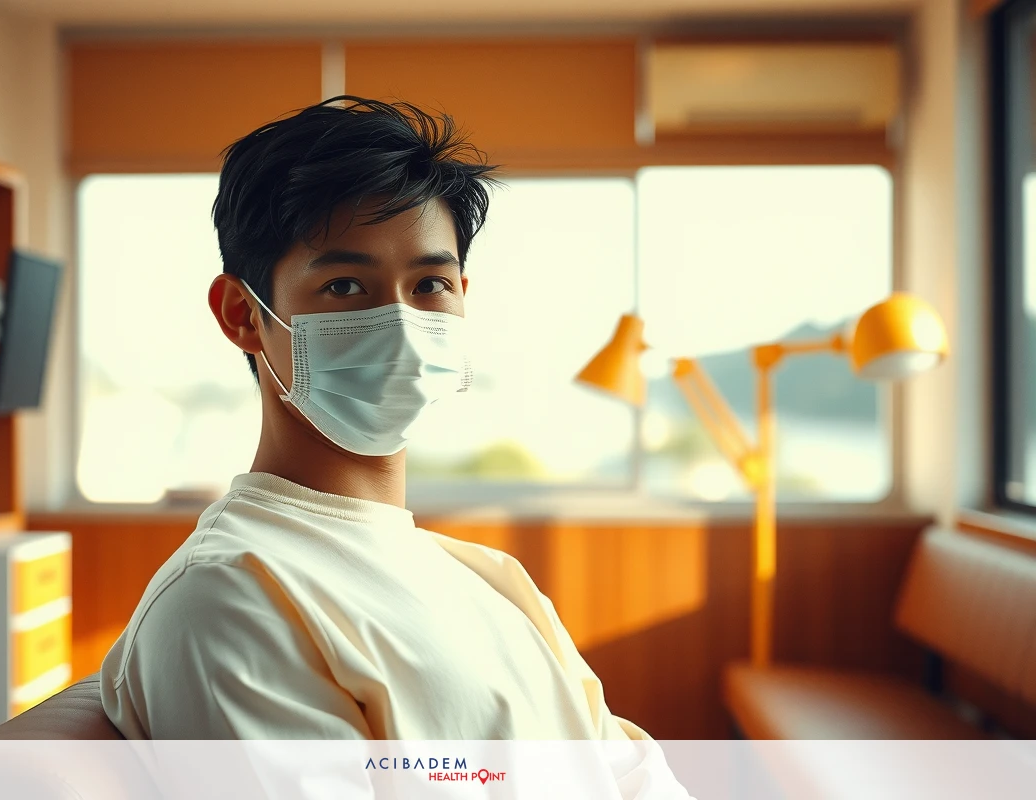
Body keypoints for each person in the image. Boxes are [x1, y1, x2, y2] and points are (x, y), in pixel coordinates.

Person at [100, 96, 691, 797]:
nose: (402, 325)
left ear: (463, 297)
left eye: (430, 285)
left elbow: (631, 775)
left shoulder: (485, 578)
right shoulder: (231, 595)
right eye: (345, 286)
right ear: (243, 315)